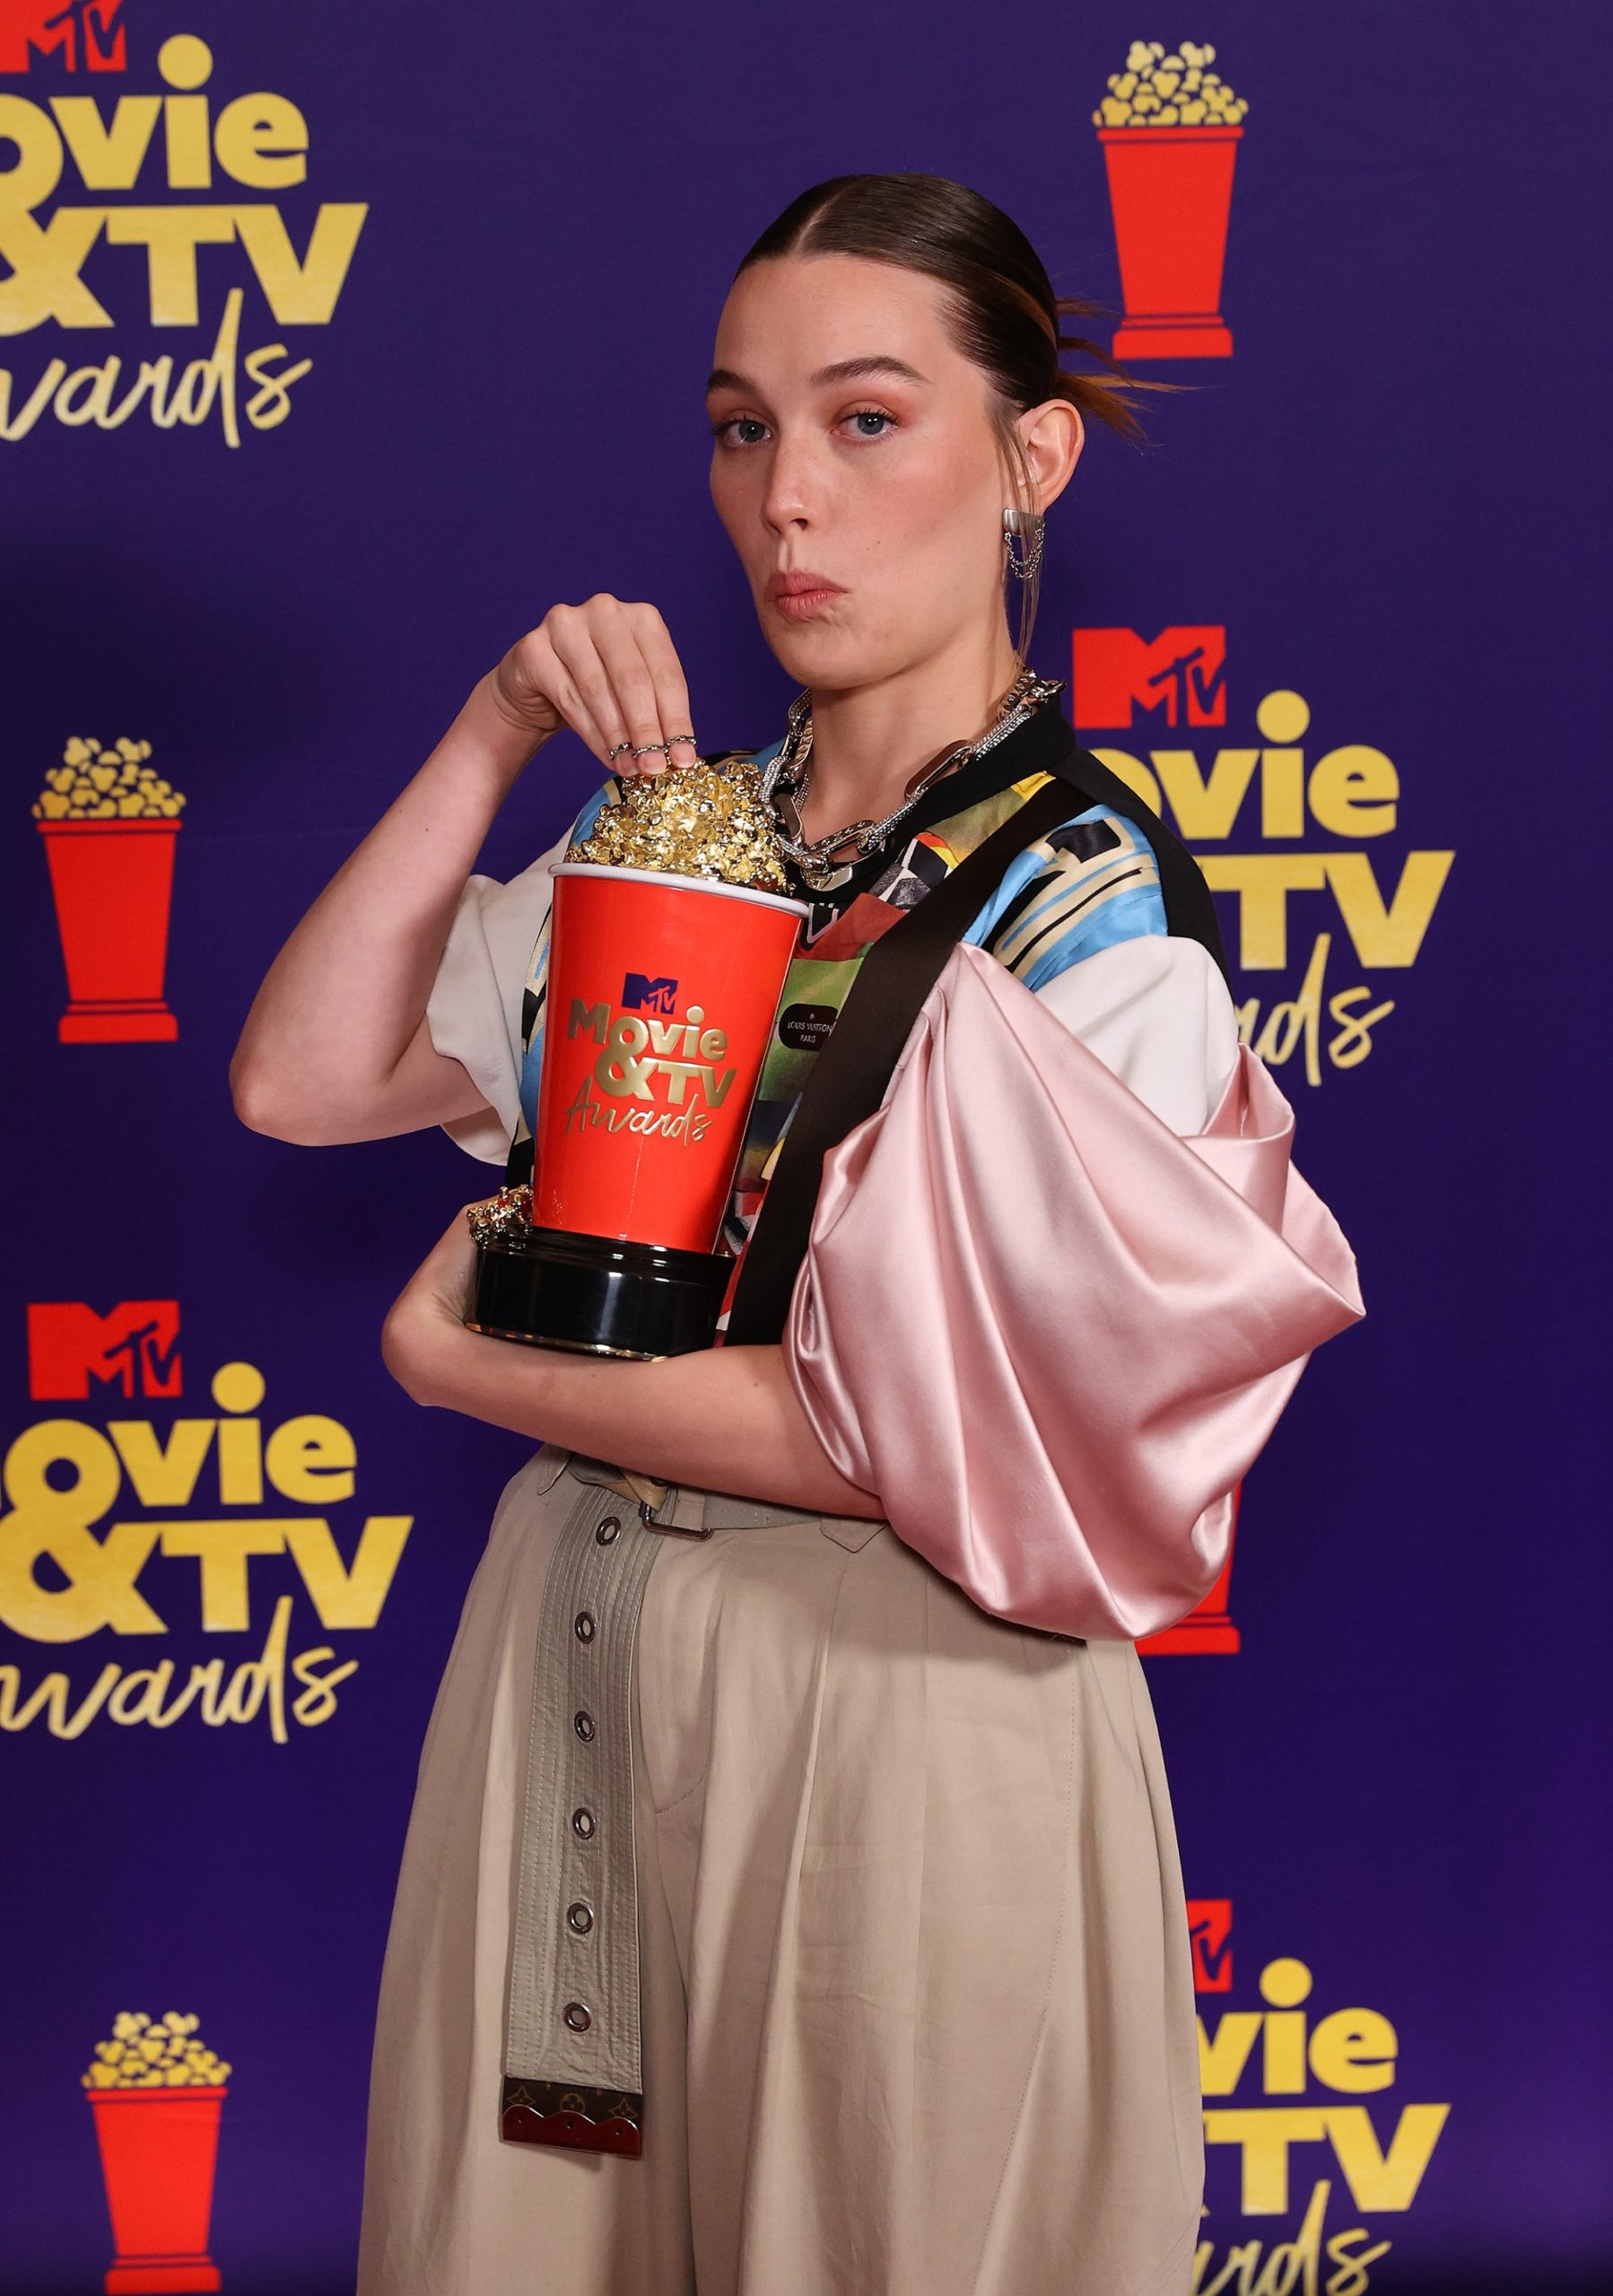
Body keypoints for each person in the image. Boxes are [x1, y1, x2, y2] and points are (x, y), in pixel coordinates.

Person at [232, 174, 1360, 2296]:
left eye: (864, 421)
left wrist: (468, 1367)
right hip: (570, 1684)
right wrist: (493, 734)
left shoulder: (1090, 914)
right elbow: (303, 1074)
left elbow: (931, 1441)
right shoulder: (684, 827)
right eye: (743, 427)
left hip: (907, 1710)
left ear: (1027, 456)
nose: (785, 503)